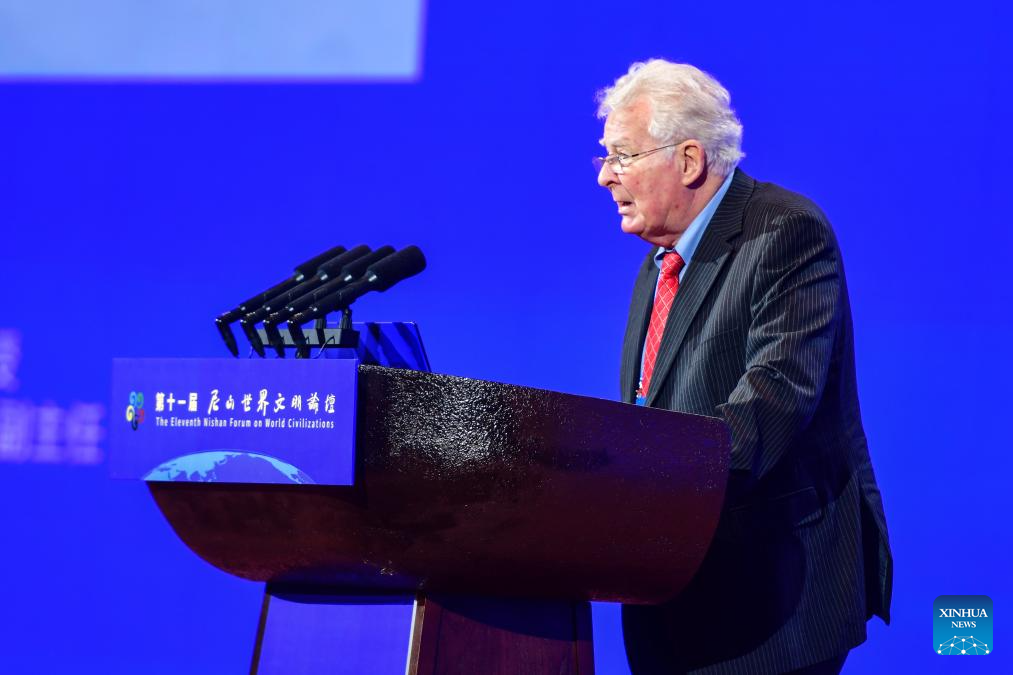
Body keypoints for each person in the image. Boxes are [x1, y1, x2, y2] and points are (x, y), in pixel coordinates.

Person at [595, 60, 892, 674]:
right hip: (675, 595)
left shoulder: (785, 231)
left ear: (689, 160)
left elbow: (774, 400)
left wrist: (644, 483)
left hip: (771, 602)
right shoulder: (659, 263)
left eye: (622, 155)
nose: (605, 176)